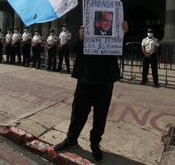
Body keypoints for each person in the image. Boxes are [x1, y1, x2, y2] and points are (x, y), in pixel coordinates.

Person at [54, 22, 128, 162]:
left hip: (105, 81)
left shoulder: (112, 35)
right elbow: (74, 49)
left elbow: (121, 52)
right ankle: (71, 139)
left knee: (100, 115)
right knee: (78, 112)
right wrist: (81, 37)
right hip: (85, 79)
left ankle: (95, 143)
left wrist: (122, 35)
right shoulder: (86, 32)